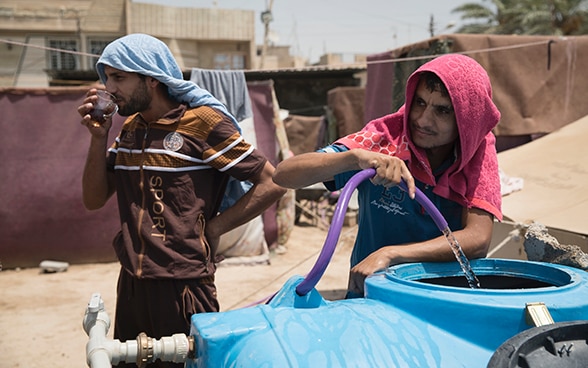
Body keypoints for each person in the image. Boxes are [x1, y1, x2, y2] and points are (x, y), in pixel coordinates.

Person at [78, 33, 286, 367]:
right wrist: (98, 139)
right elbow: (93, 199)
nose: (109, 87)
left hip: (183, 285)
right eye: (107, 78)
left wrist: (216, 227)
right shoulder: (130, 129)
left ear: (151, 78)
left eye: (119, 77)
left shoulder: (202, 124)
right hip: (132, 281)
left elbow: (272, 181)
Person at [273, 54, 502, 297]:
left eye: (442, 110)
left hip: (442, 299)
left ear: (468, 119)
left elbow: (478, 239)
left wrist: (390, 254)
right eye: (420, 103)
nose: (423, 120)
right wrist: (353, 158)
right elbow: (284, 175)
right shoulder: (382, 139)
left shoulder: (476, 149)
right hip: (373, 297)